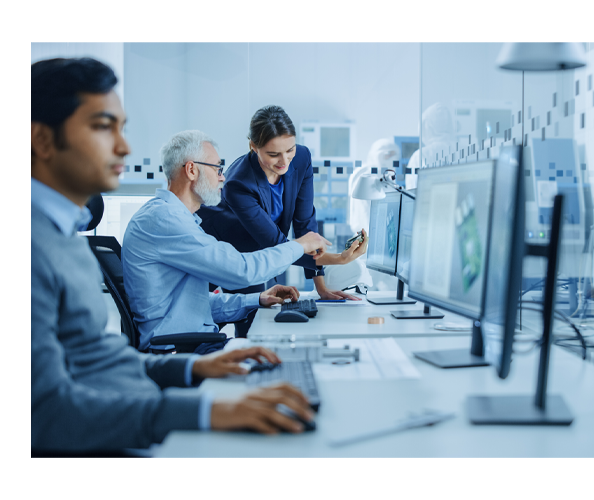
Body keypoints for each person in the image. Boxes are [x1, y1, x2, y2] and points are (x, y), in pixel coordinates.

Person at [31, 57, 316, 454]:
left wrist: (195, 366)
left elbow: (99, 360)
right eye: (102, 126)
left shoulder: (63, 235)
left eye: (122, 128)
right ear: (42, 140)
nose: (124, 146)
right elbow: (46, 414)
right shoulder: (156, 221)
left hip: (159, 371)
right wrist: (201, 410)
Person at [122, 129, 331, 353]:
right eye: (217, 168)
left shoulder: (180, 219)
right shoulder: (163, 219)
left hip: (192, 344)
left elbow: (195, 307)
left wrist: (258, 299)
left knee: (289, 352)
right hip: (179, 352)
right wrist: (300, 245)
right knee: (287, 357)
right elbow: (242, 270)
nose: (222, 177)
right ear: (192, 170)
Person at [198, 106, 368, 337]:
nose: (284, 160)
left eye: (290, 149)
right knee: (249, 325)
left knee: (266, 316)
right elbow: (276, 245)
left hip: (263, 248)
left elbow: (305, 225)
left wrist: (322, 287)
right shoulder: (238, 184)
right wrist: (338, 259)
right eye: (273, 154)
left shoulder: (302, 158)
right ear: (253, 147)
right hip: (231, 249)